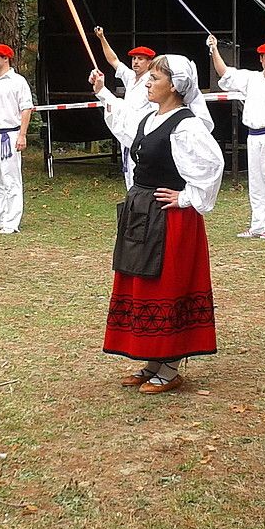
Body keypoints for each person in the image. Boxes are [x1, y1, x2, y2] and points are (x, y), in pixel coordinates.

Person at [92, 54, 223, 394]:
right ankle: (153, 360)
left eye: (155, 78)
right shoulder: (150, 117)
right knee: (142, 282)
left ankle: (170, 365)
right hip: (143, 213)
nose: (148, 83)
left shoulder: (187, 124)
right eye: (149, 77)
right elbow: (123, 126)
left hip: (172, 220)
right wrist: (104, 93)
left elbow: (211, 165)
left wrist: (186, 198)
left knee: (166, 284)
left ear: (175, 86)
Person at [208, 35, 265, 239]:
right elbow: (225, 73)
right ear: (261, 59)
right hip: (253, 135)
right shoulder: (251, 79)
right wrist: (214, 49)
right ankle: (257, 225)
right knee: (256, 182)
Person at [0, 43, 34, 234]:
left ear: (5, 58)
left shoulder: (18, 81)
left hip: (8, 135)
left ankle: (12, 221)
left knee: (10, 179)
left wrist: (22, 135)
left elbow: (26, 108)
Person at [92, 27, 156, 189]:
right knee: (129, 173)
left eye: (140, 59)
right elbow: (113, 60)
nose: (135, 62)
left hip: (143, 135)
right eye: (134, 58)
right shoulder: (130, 78)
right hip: (128, 133)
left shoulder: (152, 81)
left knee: (140, 174)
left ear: (149, 63)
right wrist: (102, 38)